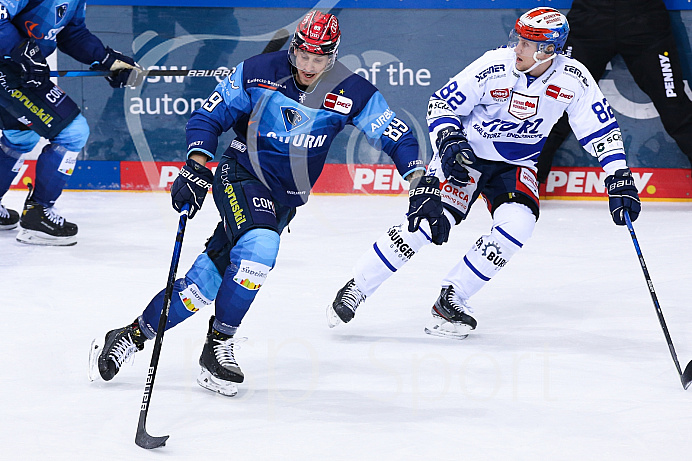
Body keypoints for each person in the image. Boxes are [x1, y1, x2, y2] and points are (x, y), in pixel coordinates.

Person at [89, 11, 442, 397]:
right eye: (303, 55)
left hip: (283, 201)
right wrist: (195, 166)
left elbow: (398, 136)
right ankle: (219, 344)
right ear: (294, 48)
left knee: (199, 287)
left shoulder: (352, 91)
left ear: (333, 55)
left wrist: (418, 180)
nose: (308, 66)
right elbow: (210, 114)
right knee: (260, 248)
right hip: (240, 173)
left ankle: (131, 334)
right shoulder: (258, 71)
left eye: (319, 58)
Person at [327, 7, 642, 340]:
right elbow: (441, 105)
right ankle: (358, 285)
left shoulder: (573, 79)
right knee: (425, 223)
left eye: (526, 43)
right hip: (465, 157)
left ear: (549, 49)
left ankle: (452, 298)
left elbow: (600, 130)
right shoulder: (493, 65)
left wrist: (618, 176)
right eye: (517, 39)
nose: (516, 48)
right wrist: (449, 141)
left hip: (516, 165)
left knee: (518, 224)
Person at [0, 0, 141, 245]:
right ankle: (37, 216)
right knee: (73, 133)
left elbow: (71, 33)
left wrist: (107, 59)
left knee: (21, 136)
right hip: (9, 69)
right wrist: (22, 49)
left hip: (20, 70)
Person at [536, 0, 692, 184]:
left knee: (673, 106)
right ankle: (523, 184)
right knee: (558, 105)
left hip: (645, 21)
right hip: (590, 20)